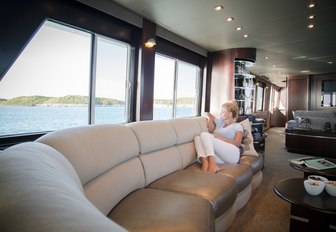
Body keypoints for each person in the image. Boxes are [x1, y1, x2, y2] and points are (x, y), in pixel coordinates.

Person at [194, 101, 243, 173]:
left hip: (232, 154)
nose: (220, 113)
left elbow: (238, 143)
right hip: (221, 157)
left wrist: (220, 138)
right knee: (197, 138)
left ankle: (212, 164)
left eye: (223, 112)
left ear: (230, 114)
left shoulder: (237, 126)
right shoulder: (220, 122)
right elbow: (207, 113)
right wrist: (210, 120)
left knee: (204, 134)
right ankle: (205, 162)